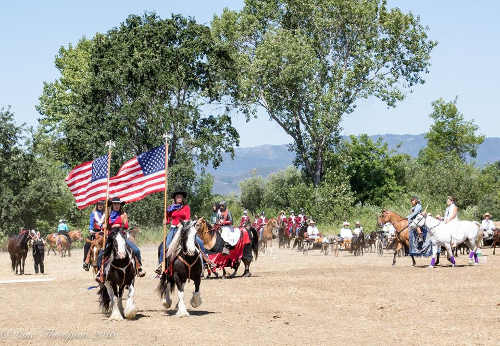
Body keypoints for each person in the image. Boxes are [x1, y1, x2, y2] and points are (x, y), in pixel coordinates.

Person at [96, 197, 145, 282]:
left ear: (120, 205)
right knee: (101, 254)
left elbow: (126, 225)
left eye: (118, 204)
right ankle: (100, 271)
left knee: (136, 250)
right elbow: (103, 225)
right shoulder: (108, 215)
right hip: (112, 236)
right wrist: (104, 226)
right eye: (115, 204)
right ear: (112, 205)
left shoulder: (123, 214)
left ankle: (139, 267)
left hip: (122, 234)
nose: (116, 205)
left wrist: (117, 226)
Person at [83, 200, 105, 271]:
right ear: (97, 205)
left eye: (101, 204)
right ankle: (86, 262)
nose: (100, 205)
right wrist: (91, 229)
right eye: (99, 204)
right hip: (95, 232)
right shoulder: (93, 213)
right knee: (87, 245)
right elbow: (91, 223)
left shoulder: (106, 213)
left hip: (103, 232)